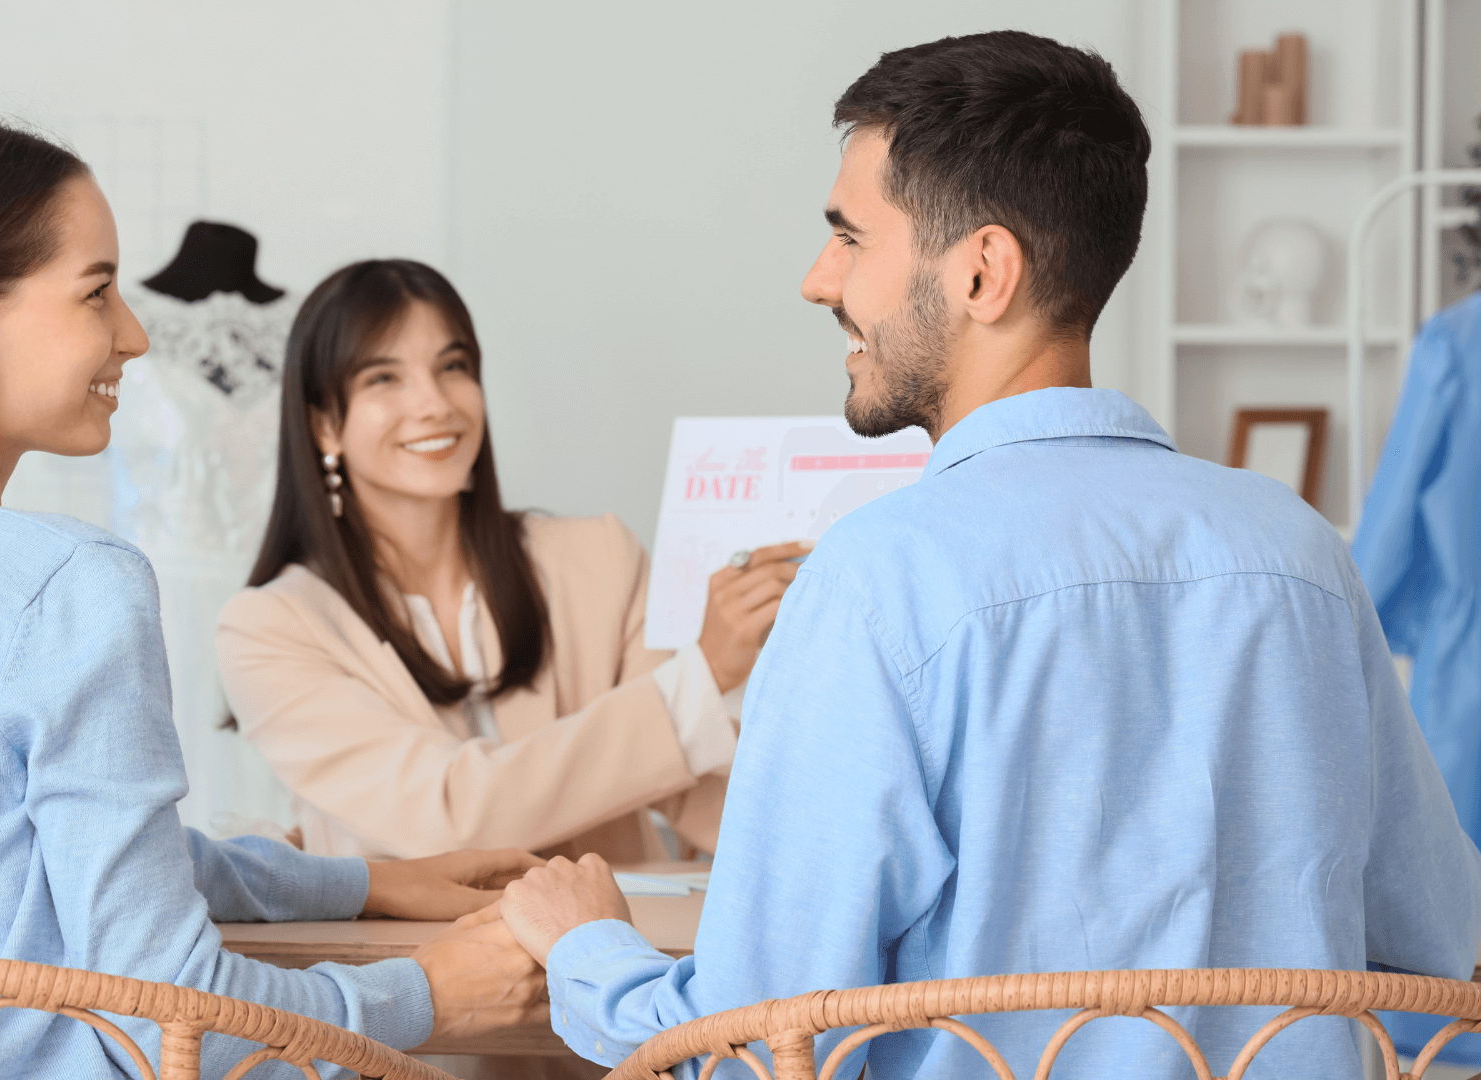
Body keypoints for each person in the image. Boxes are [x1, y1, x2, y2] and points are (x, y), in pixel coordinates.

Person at [498, 30, 1481, 1080]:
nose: (817, 278)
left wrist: (585, 948)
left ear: (982, 271)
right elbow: (1444, 952)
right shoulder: (1301, 557)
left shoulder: (878, 581)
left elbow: (754, 1050)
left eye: (850, 238)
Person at [0, 113, 544, 1080]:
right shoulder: (71, 588)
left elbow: (16, 855)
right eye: (97, 293)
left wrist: (360, 882)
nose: (132, 334)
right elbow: (175, 1017)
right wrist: (428, 994)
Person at [215, 259, 803, 862]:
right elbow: (447, 817)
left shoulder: (599, 560)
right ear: (323, 426)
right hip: (414, 958)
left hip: (614, 949)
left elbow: (702, 795)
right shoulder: (269, 630)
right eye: (384, 379)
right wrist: (701, 676)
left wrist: (766, 668)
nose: (435, 403)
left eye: (453, 367)